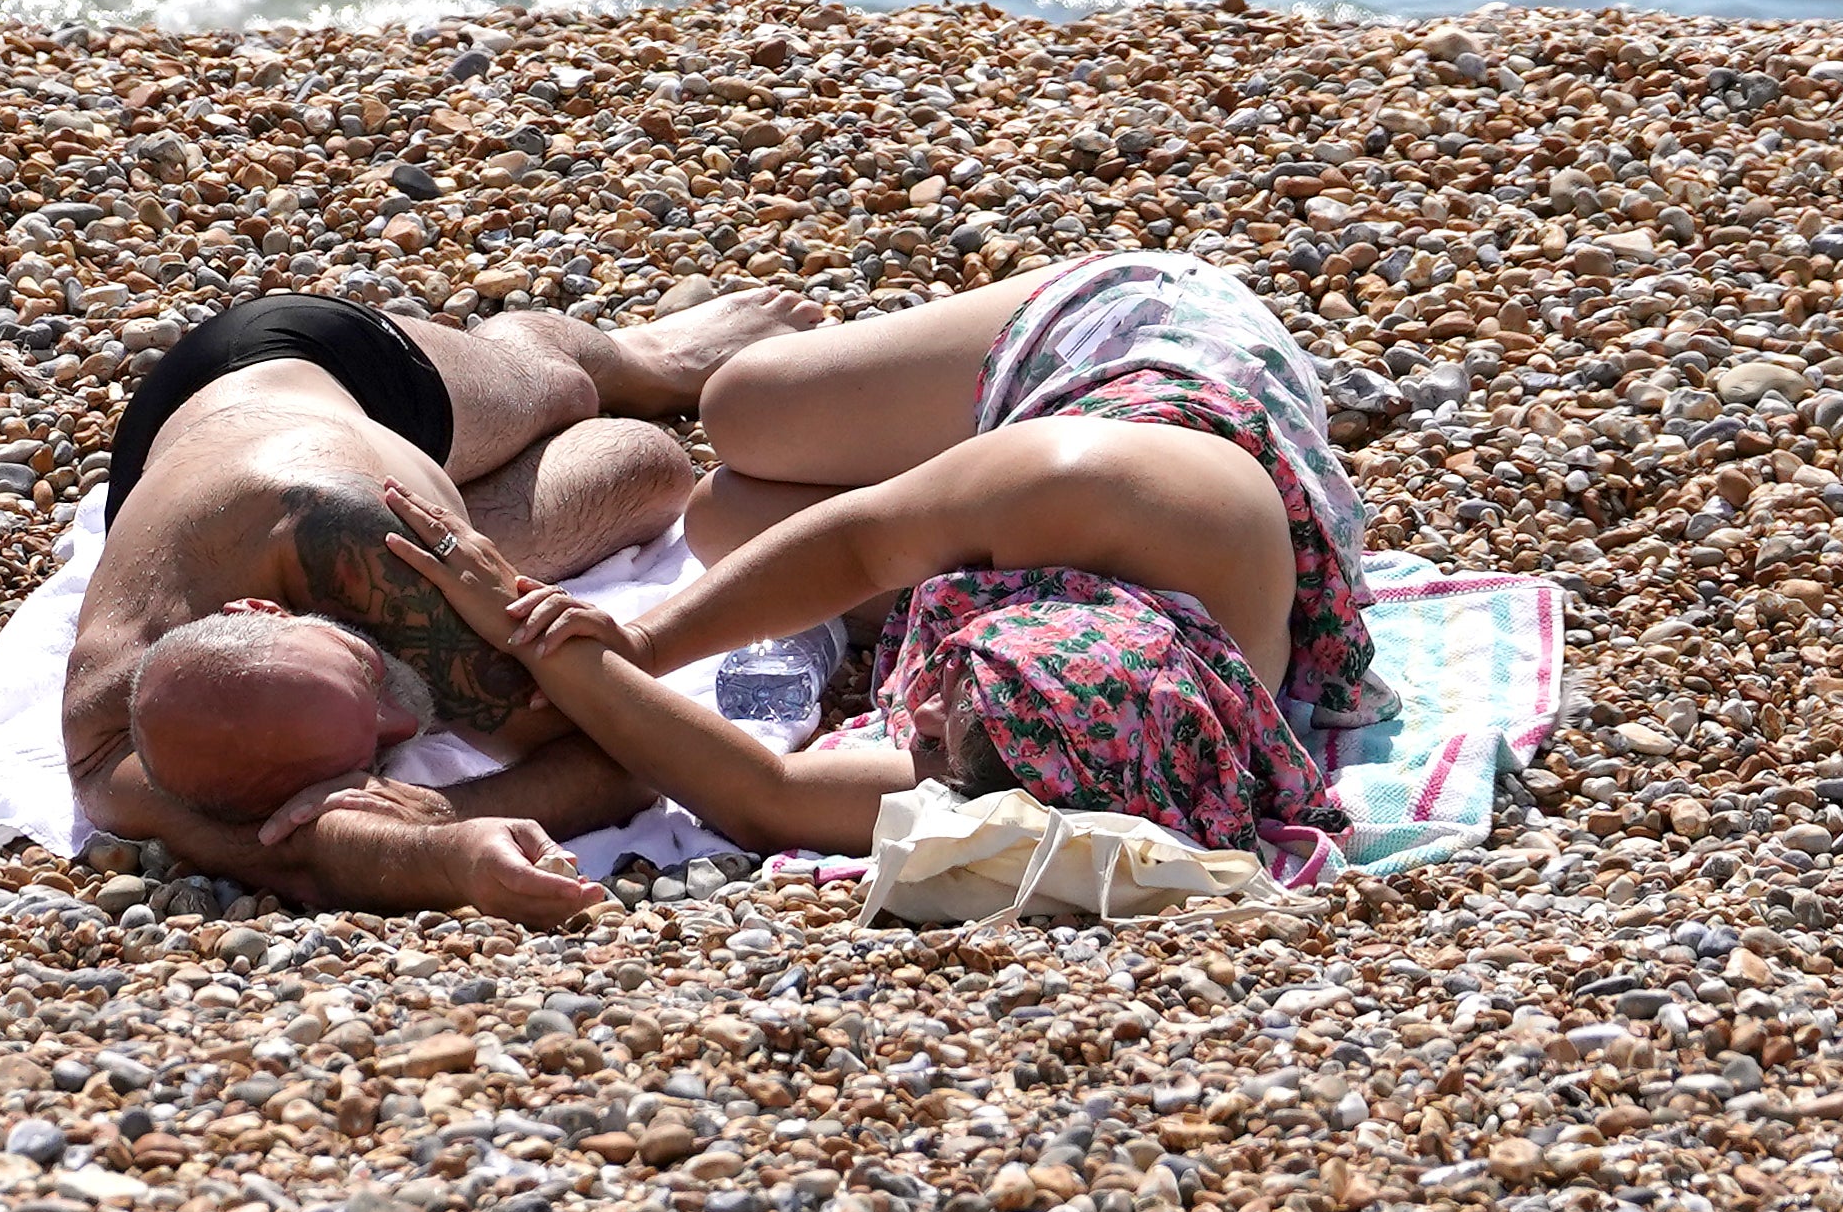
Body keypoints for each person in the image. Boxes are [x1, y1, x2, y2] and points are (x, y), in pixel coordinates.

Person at [339, 254, 1382, 869]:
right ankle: (628, 356)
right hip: (1125, 339)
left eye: (931, 753)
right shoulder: (1077, 479)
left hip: (1036, 524)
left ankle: (924, 490)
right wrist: (641, 641)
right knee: (741, 412)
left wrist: (445, 817)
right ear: (1018, 625)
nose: (906, 724)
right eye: (945, 719)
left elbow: (769, 798)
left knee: (723, 518)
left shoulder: (1110, 755)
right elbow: (858, 541)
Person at [59, 284, 805, 922]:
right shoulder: (105, 716)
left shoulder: (357, 551)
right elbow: (292, 855)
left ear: (258, 611)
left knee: (560, 386)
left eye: (368, 669)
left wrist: (447, 813)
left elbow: (627, 756)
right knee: (647, 472)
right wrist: (417, 848)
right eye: (374, 751)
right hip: (210, 466)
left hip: (314, 366)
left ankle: (636, 350)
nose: (410, 720)